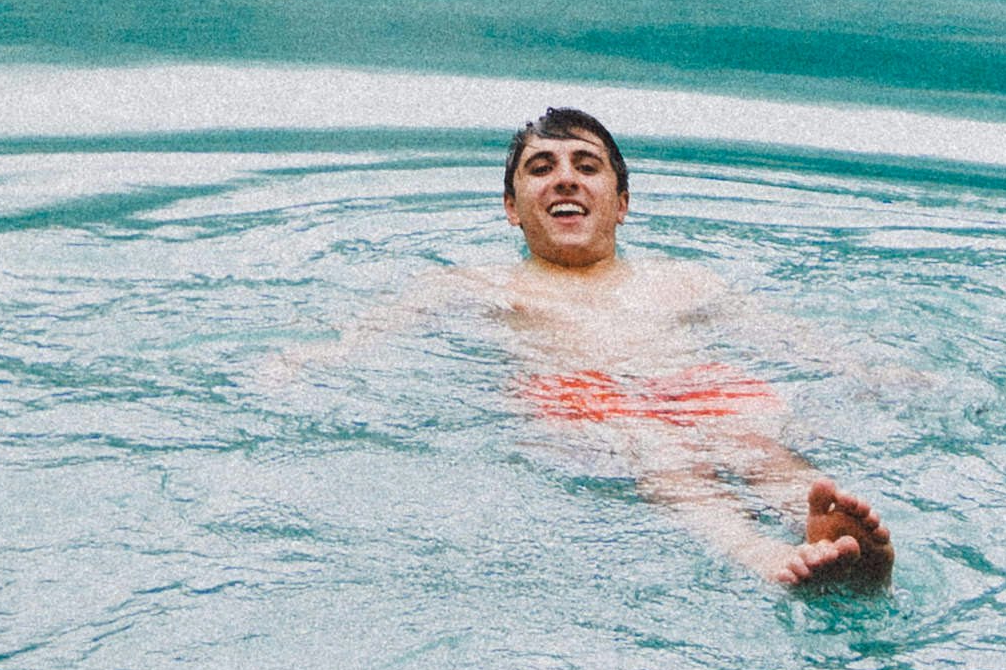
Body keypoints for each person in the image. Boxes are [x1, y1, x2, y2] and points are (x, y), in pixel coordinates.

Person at [280, 106, 901, 594]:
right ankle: (764, 554)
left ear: (623, 205)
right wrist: (301, 365)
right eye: (541, 166)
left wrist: (869, 372)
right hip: (582, 396)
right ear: (511, 209)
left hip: (696, 386)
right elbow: (368, 335)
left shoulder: (686, 280)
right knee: (655, 448)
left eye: (587, 163)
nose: (566, 177)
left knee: (753, 441)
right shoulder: (475, 284)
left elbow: (792, 339)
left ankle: (825, 530)